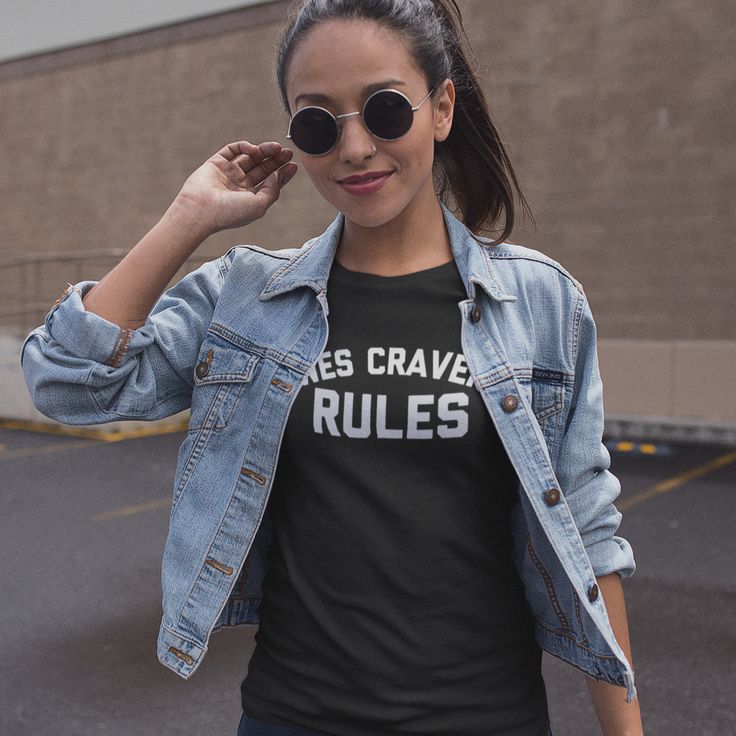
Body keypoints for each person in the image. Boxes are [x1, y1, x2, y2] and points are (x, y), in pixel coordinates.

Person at [20, 1, 644, 734]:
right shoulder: (249, 297)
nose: (353, 147)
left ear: (441, 107)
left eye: (383, 110)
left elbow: (589, 529)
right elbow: (68, 382)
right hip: (295, 716)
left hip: (486, 716)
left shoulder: (540, 303)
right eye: (318, 122)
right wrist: (188, 217)